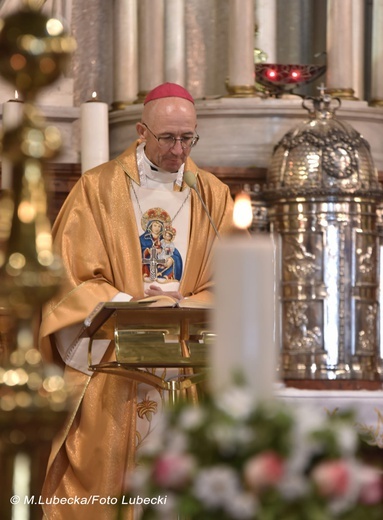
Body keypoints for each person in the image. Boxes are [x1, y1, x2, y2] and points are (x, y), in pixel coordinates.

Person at [38, 82, 235, 519]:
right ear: (142, 132)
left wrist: (185, 304)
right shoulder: (97, 189)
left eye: (188, 138)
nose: (179, 150)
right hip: (116, 364)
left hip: (187, 367)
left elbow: (232, 281)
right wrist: (134, 304)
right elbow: (68, 278)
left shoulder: (213, 195)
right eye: (167, 138)